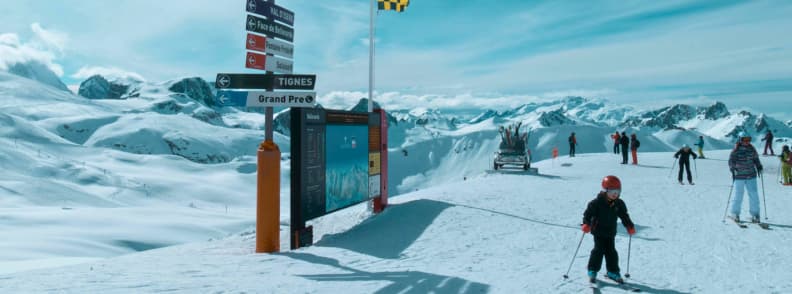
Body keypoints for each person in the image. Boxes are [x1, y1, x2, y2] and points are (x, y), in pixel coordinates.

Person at [582, 175, 635, 284]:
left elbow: (624, 216)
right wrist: (586, 224)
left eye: (617, 191)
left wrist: (629, 226)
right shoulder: (596, 203)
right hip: (598, 231)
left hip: (611, 231)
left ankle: (613, 271)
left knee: (611, 252)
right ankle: (592, 269)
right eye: (612, 191)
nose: (615, 194)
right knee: (598, 250)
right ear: (605, 190)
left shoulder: (619, 204)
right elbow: (588, 214)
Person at [728, 132, 764, 223]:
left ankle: (755, 214)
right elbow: (731, 161)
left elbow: (756, 159)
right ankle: (735, 213)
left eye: (749, 139)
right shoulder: (736, 150)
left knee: (754, 194)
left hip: (751, 175)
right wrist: (732, 169)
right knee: (738, 194)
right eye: (745, 139)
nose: (747, 141)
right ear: (740, 140)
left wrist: (759, 166)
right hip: (739, 176)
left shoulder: (752, 149)